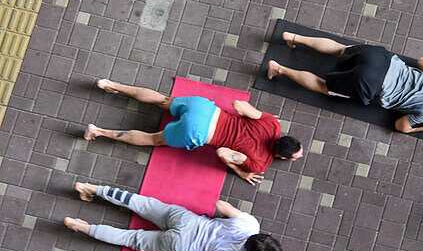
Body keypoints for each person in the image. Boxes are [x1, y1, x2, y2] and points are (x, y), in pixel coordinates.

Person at [84, 79, 303, 185]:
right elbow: (222, 154)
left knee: (163, 100)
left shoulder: (272, 123)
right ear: (281, 157)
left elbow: (238, 105)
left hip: (205, 109)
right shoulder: (259, 164)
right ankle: (99, 131)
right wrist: (241, 171)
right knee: (154, 139)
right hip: (198, 132)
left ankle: (111, 85)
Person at [64, 182, 282, 251]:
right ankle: (81, 227)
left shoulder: (250, 224)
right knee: (130, 239)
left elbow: (220, 205)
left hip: (187, 220)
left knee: (140, 203)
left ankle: (91, 188)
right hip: (180, 246)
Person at [266, 31, 423, 136]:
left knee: (339, 49)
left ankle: (294, 37)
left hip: (380, 59)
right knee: (324, 86)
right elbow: (400, 126)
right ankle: (279, 69)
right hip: (370, 83)